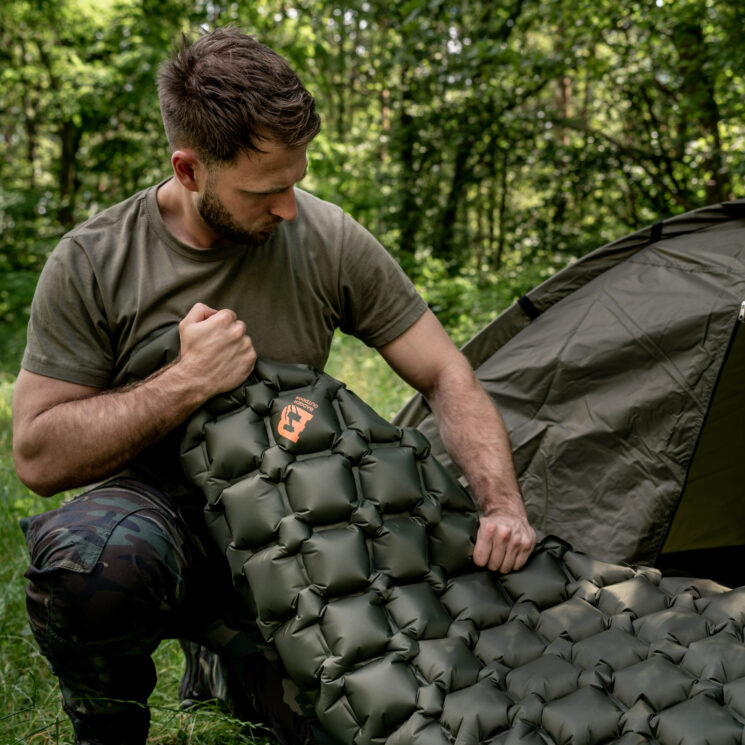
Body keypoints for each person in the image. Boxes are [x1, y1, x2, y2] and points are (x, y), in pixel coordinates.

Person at [12, 27, 536, 745]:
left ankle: (227, 660)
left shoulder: (326, 236)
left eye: (295, 181)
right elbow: (38, 456)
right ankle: (109, 729)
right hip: (161, 525)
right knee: (91, 563)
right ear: (188, 170)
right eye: (266, 191)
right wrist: (185, 381)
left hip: (297, 530)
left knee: (361, 723)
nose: (288, 207)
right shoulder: (95, 260)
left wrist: (501, 504)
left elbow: (446, 372)